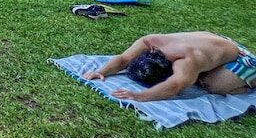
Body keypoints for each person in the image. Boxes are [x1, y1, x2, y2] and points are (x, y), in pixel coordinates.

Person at [82, 32, 256, 101]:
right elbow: (125, 58)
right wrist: (100, 71)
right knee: (197, 78)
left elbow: (174, 85)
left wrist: (140, 96)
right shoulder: (150, 41)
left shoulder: (187, 60)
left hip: (242, 59)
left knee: (212, 85)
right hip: (218, 43)